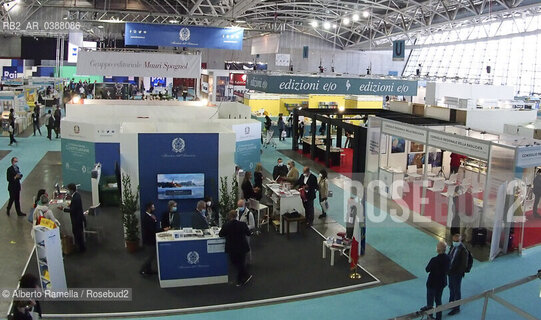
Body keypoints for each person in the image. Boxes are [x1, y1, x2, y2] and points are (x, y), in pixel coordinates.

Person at [219, 210, 253, 286]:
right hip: (242, 247)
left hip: (232, 248)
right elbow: (248, 233)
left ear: (229, 216)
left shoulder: (226, 225)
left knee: (235, 263)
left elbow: (221, 234)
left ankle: (240, 280)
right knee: (241, 263)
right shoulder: (243, 224)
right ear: (236, 216)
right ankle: (244, 277)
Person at [423, 241, 450, 320]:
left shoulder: (434, 260)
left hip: (432, 283)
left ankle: (430, 317)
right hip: (441, 283)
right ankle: (439, 317)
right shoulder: (448, 258)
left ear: (438, 249)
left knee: (430, 302)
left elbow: (427, 269)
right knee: (438, 300)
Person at [447, 233, 469, 316]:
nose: (454, 242)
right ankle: (451, 302)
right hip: (450, 272)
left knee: (456, 289)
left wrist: (458, 273)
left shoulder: (463, 250)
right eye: (453, 241)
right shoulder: (453, 247)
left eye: (456, 241)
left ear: (460, 241)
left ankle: (456, 308)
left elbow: (464, 264)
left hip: (456, 273)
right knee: (451, 287)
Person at [63, 183, 85, 253]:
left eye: (69, 190)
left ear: (71, 190)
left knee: (77, 234)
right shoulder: (77, 195)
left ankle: (80, 248)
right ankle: (80, 247)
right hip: (79, 218)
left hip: (76, 219)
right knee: (78, 234)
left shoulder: (75, 198)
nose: (68, 191)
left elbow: (73, 210)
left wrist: (63, 209)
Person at [140, 202, 158, 276]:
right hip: (149, 240)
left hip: (150, 238)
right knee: (150, 256)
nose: (154, 208)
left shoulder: (150, 216)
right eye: (153, 207)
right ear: (149, 208)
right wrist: (162, 230)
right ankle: (142, 269)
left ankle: (148, 270)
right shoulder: (147, 218)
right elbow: (151, 229)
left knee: (151, 255)